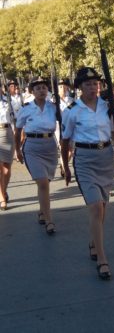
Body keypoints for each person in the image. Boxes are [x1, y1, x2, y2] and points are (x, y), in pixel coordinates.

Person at [61, 67, 114, 280]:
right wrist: (66, 166)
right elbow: (65, 139)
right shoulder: (72, 110)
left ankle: (93, 242)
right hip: (84, 160)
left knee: (103, 208)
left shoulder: (107, 107)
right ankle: (102, 258)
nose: (93, 87)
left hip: (106, 158)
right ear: (79, 87)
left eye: (96, 83)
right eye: (88, 84)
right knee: (96, 207)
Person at [15, 76, 58, 234]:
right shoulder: (26, 108)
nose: (41, 90)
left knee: (45, 181)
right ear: (32, 91)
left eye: (44, 87)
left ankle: (42, 211)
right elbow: (18, 129)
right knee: (43, 183)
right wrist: (18, 149)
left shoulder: (54, 107)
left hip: (50, 146)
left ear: (48, 90)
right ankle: (49, 220)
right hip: (32, 147)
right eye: (37, 88)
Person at [0, 91, 15, 210]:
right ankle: (1, 198)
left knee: (6, 169)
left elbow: (15, 117)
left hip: (7, 132)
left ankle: (4, 191)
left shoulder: (8, 101)